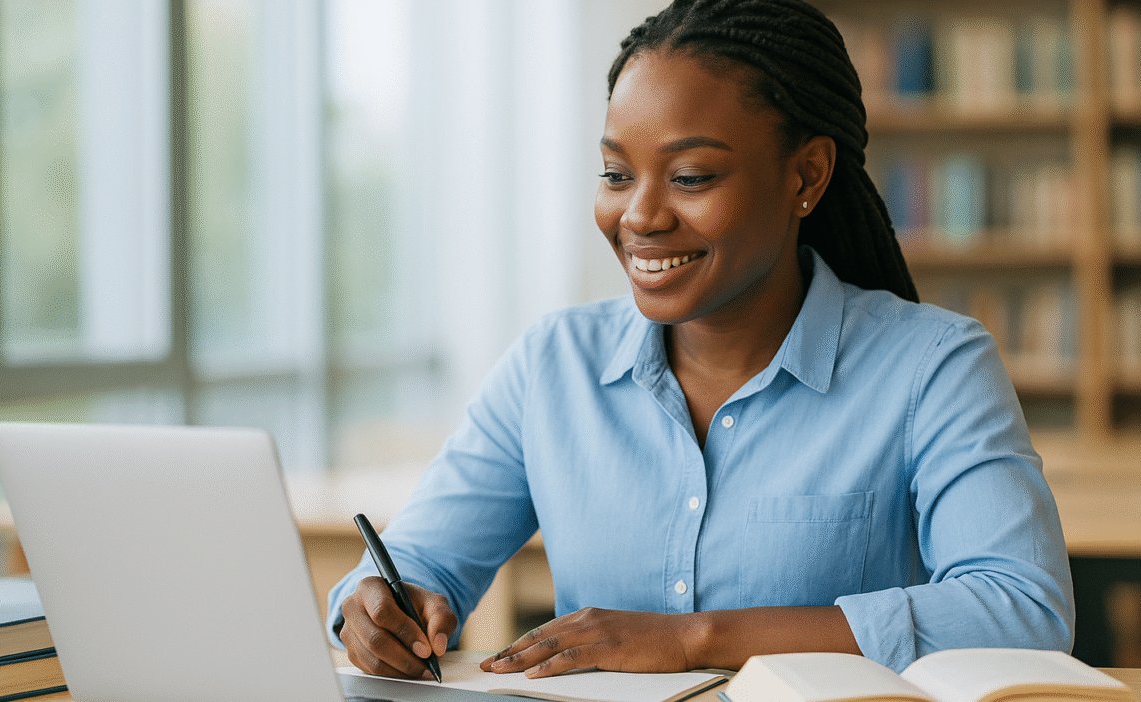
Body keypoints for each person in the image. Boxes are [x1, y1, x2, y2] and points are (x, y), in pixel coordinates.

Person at [326, 0, 1075, 680]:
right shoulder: (552, 365)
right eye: (617, 173)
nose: (641, 216)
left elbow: (1021, 610)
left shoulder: (932, 366)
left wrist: (695, 638)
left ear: (805, 175)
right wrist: (381, 607)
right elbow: (418, 562)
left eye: (690, 176)